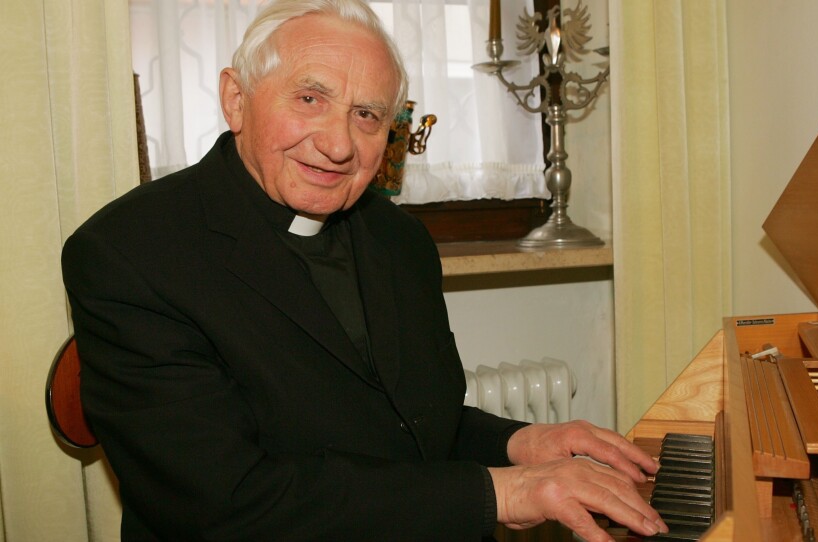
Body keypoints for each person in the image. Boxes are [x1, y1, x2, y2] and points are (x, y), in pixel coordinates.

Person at [61, 0, 668, 540]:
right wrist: (504, 493)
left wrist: (520, 443)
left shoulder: (398, 239)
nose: (339, 144)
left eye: (368, 115)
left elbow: (408, 424)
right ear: (236, 99)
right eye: (310, 99)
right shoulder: (129, 254)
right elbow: (224, 504)